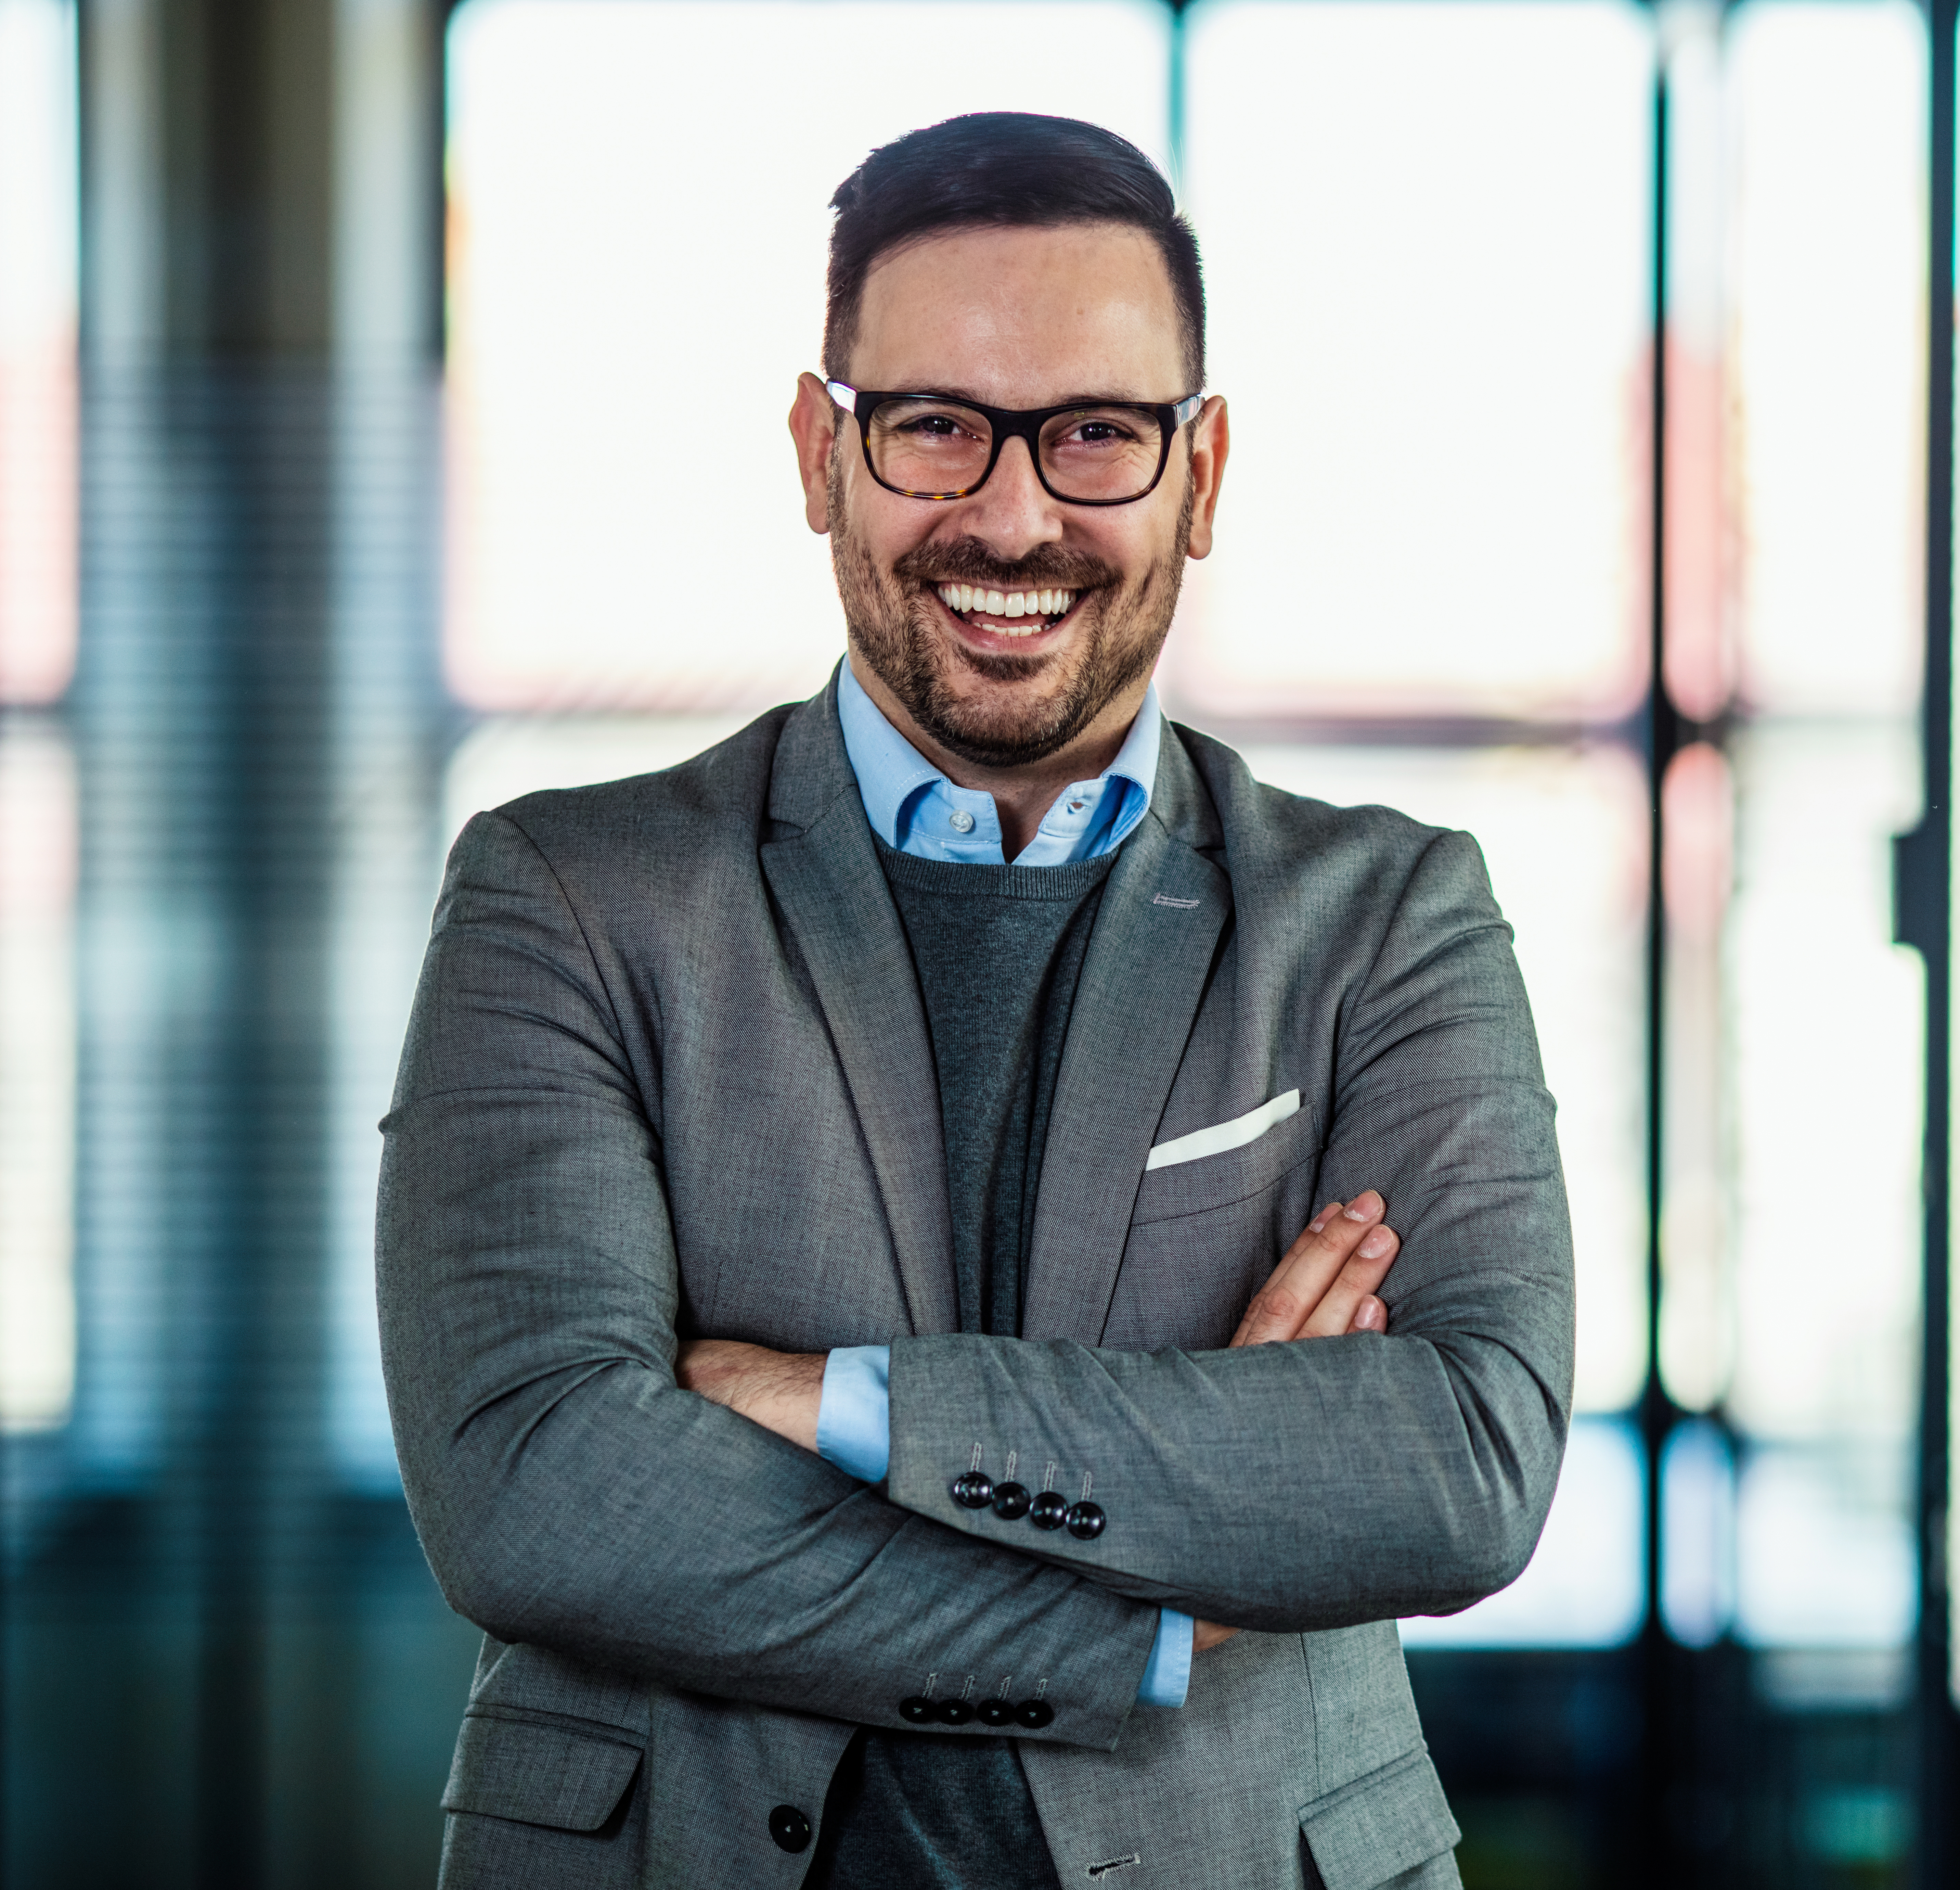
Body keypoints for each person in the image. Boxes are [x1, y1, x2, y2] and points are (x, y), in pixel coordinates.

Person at [376, 112, 1573, 1890]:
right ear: (819, 450)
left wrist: (854, 1404)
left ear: (1206, 469)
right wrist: (1159, 1613)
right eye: (934, 425)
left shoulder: (1389, 914)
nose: (1011, 515)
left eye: (1097, 434)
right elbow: (543, 1490)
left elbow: (1461, 1459)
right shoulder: (563, 896)